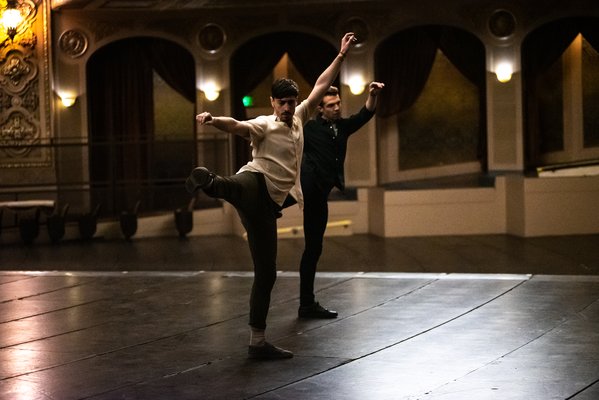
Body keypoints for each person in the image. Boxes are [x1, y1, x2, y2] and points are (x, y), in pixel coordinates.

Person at [185, 33, 358, 360]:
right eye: (282, 103)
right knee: (238, 185)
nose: (288, 107)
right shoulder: (264, 124)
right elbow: (236, 125)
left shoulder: (302, 117)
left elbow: (321, 84)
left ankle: (257, 342)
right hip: (254, 182)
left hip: (266, 208)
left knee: (267, 274)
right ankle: (210, 182)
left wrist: (342, 55)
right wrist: (213, 120)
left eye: (292, 102)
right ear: (273, 103)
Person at [297, 81, 385, 319]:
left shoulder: (342, 127)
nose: (336, 108)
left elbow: (365, 114)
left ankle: (306, 303)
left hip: (321, 195)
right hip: (310, 190)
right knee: (312, 249)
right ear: (320, 108)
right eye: (330, 105)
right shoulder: (309, 128)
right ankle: (306, 304)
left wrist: (373, 95)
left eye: (338, 104)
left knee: (314, 248)